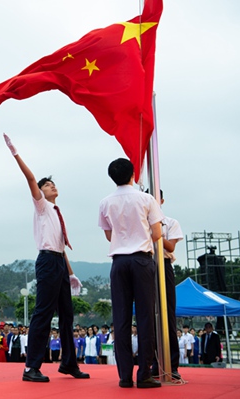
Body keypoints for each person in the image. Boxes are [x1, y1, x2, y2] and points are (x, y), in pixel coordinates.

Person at [4, 133, 88, 383]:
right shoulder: (41, 206)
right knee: (43, 313)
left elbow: (62, 247)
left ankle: (69, 363)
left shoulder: (56, 211)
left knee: (67, 315)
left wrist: (71, 273)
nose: (52, 186)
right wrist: (15, 153)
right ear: (40, 191)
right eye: (47, 184)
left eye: (53, 184)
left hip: (59, 263)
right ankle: (31, 367)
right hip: (47, 262)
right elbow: (30, 178)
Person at [98, 158, 164, 389]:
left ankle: (125, 375)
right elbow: (157, 233)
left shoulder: (105, 202)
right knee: (145, 317)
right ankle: (144, 373)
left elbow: (109, 235)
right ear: (133, 174)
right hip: (141, 259)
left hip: (119, 261)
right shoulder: (146, 199)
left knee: (121, 318)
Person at [146, 189, 183, 379]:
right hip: (146, 264)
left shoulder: (171, 222)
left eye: (155, 198)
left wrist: (156, 229)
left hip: (165, 265)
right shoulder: (140, 222)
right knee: (149, 316)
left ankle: (172, 364)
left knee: (168, 314)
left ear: (161, 200)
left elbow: (171, 246)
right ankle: (152, 364)